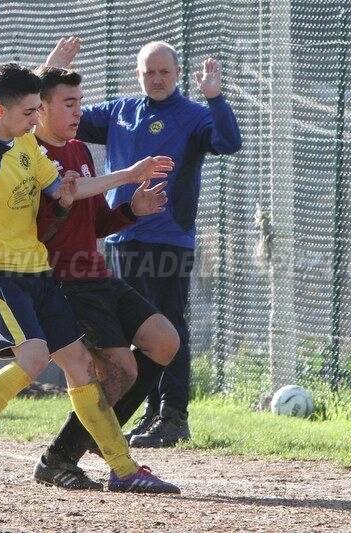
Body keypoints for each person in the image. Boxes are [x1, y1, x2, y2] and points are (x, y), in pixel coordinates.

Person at [0, 62, 179, 493]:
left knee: (81, 367)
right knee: (34, 357)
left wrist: (125, 176)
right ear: (0, 110)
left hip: (37, 272)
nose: (34, 119)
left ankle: (122, 468)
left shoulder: (28, 147)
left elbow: (70, 190)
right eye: (29, 111)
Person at [46, 38, 242, 447]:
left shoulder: (192, 115)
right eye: (148, 72)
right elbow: (53, 117)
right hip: (122, 237)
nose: (156, 79)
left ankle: (174, 415)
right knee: (136, 332)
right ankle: (150, 413)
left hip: (169, 241)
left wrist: (216, 97)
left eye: (164, 72)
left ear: (177, 73)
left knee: (170, 326)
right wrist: (50, 69)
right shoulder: (122, 111)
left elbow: (228, 142)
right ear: (139, 75)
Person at [31, 66, 181, 490]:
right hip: (63, 282)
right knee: (121, 368)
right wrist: (126, 176)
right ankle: (59, 458)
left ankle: (102, 434)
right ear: (40, 108)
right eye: (69, 103)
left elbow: (95, 224)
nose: (79, 111)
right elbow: (50, 220)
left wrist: (133, 209)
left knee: (165, 341)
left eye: (81, 102)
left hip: (97, 275)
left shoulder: (79, 149)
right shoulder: (32, 156)